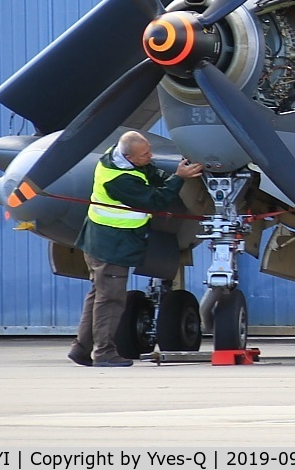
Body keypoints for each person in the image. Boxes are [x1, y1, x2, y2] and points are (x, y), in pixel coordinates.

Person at [69, 132, 203, 367]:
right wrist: (178, 179)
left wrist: (171, 175)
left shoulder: (119, 158)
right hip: (111, 245)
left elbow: (149, 172)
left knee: (98, 296)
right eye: (145, 154)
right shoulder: (120, 179)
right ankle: (105, 353)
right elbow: (154, 201)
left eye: (149, 150)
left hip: (102, 241)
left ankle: (81, 349)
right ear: (129, 156)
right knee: (111, 300)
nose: (150, 156)